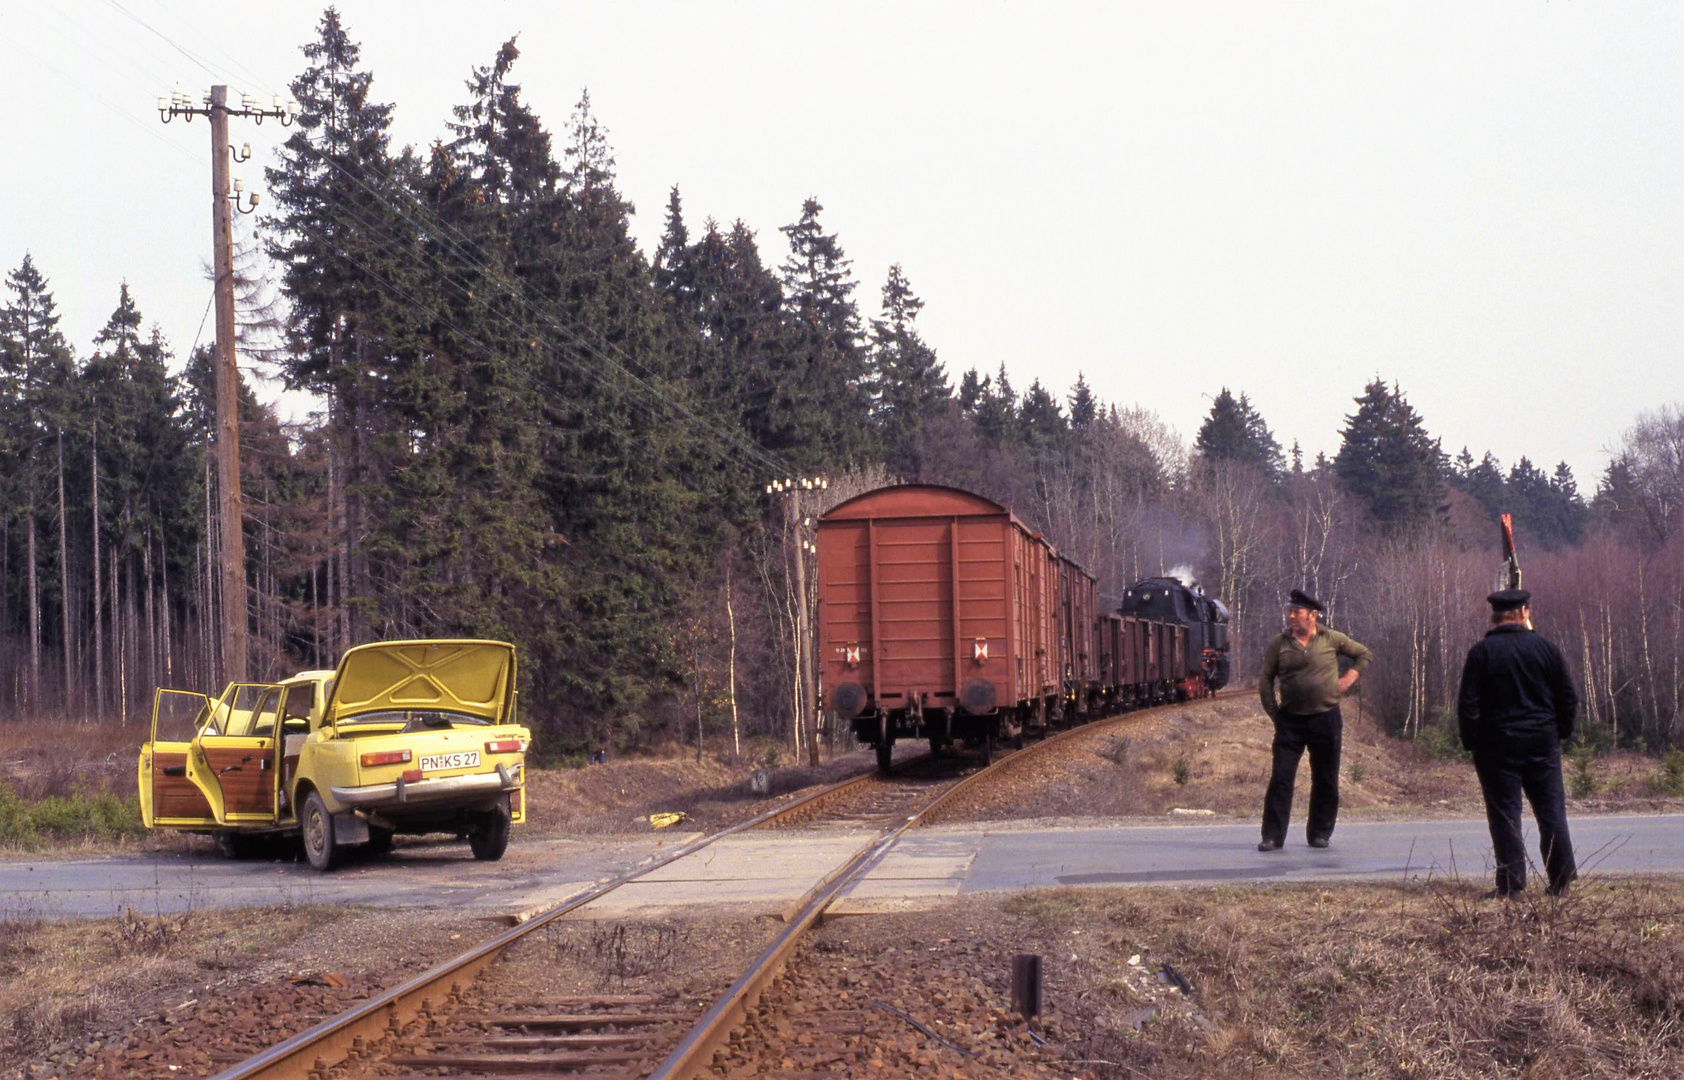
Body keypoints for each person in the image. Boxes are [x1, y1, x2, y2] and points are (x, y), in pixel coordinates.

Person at [1457, 588, 1578, 898]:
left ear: (1494, 615)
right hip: (1541, 741)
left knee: (1505, 814)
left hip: (1496, 744)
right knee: (1551, 811)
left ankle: (1512, 886)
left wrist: (1472, 741)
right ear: (1525, 612)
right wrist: (1560, 732)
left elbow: (1468, 703)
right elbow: (1567, 697)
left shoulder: (1481, 652)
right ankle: (1561, 880)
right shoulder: (1546, 649)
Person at [1257, 589, 1372, 851]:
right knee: (1281, 778)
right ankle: (1273, 836)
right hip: (1291, 722)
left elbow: (1364, 654)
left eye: (1296, 612)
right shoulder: (1280, 643)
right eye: (1290, 611)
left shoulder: (1331, 638)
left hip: (1326, 719)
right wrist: (1274, 713)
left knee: (1326, 778)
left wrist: (1347, 680)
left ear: (1313, 615)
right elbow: (1265, 678)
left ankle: (1320, 833)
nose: (1291, 616)